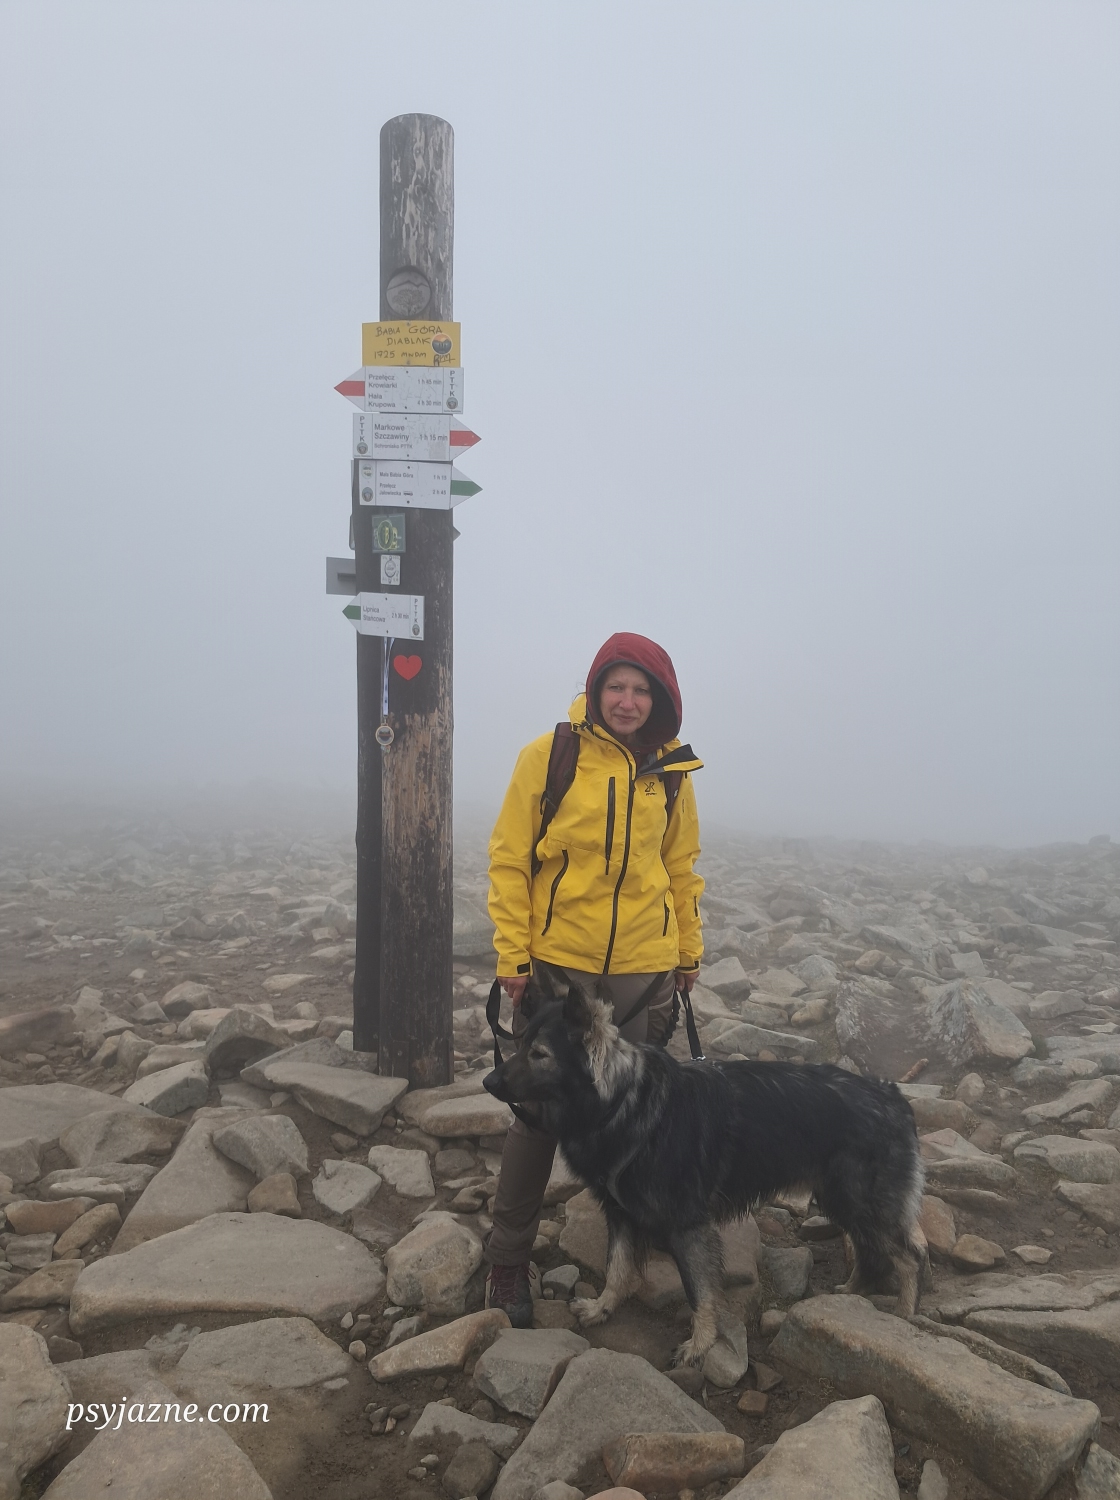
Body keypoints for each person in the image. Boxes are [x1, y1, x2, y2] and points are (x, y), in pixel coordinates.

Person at [484, 632, 704, 1326]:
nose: (628, 701)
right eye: (617, 686)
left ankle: (639, 1235)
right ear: (596, 688)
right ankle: (507, 1259)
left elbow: (680, 867)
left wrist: (687, 952)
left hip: (644, 968)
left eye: (642, 690)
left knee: (641, 1110)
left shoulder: (672, 770)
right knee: (538, 1113)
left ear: (661, 700)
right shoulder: (551, 757)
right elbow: (510, 859)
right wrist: (514, 956)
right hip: (561, 968)